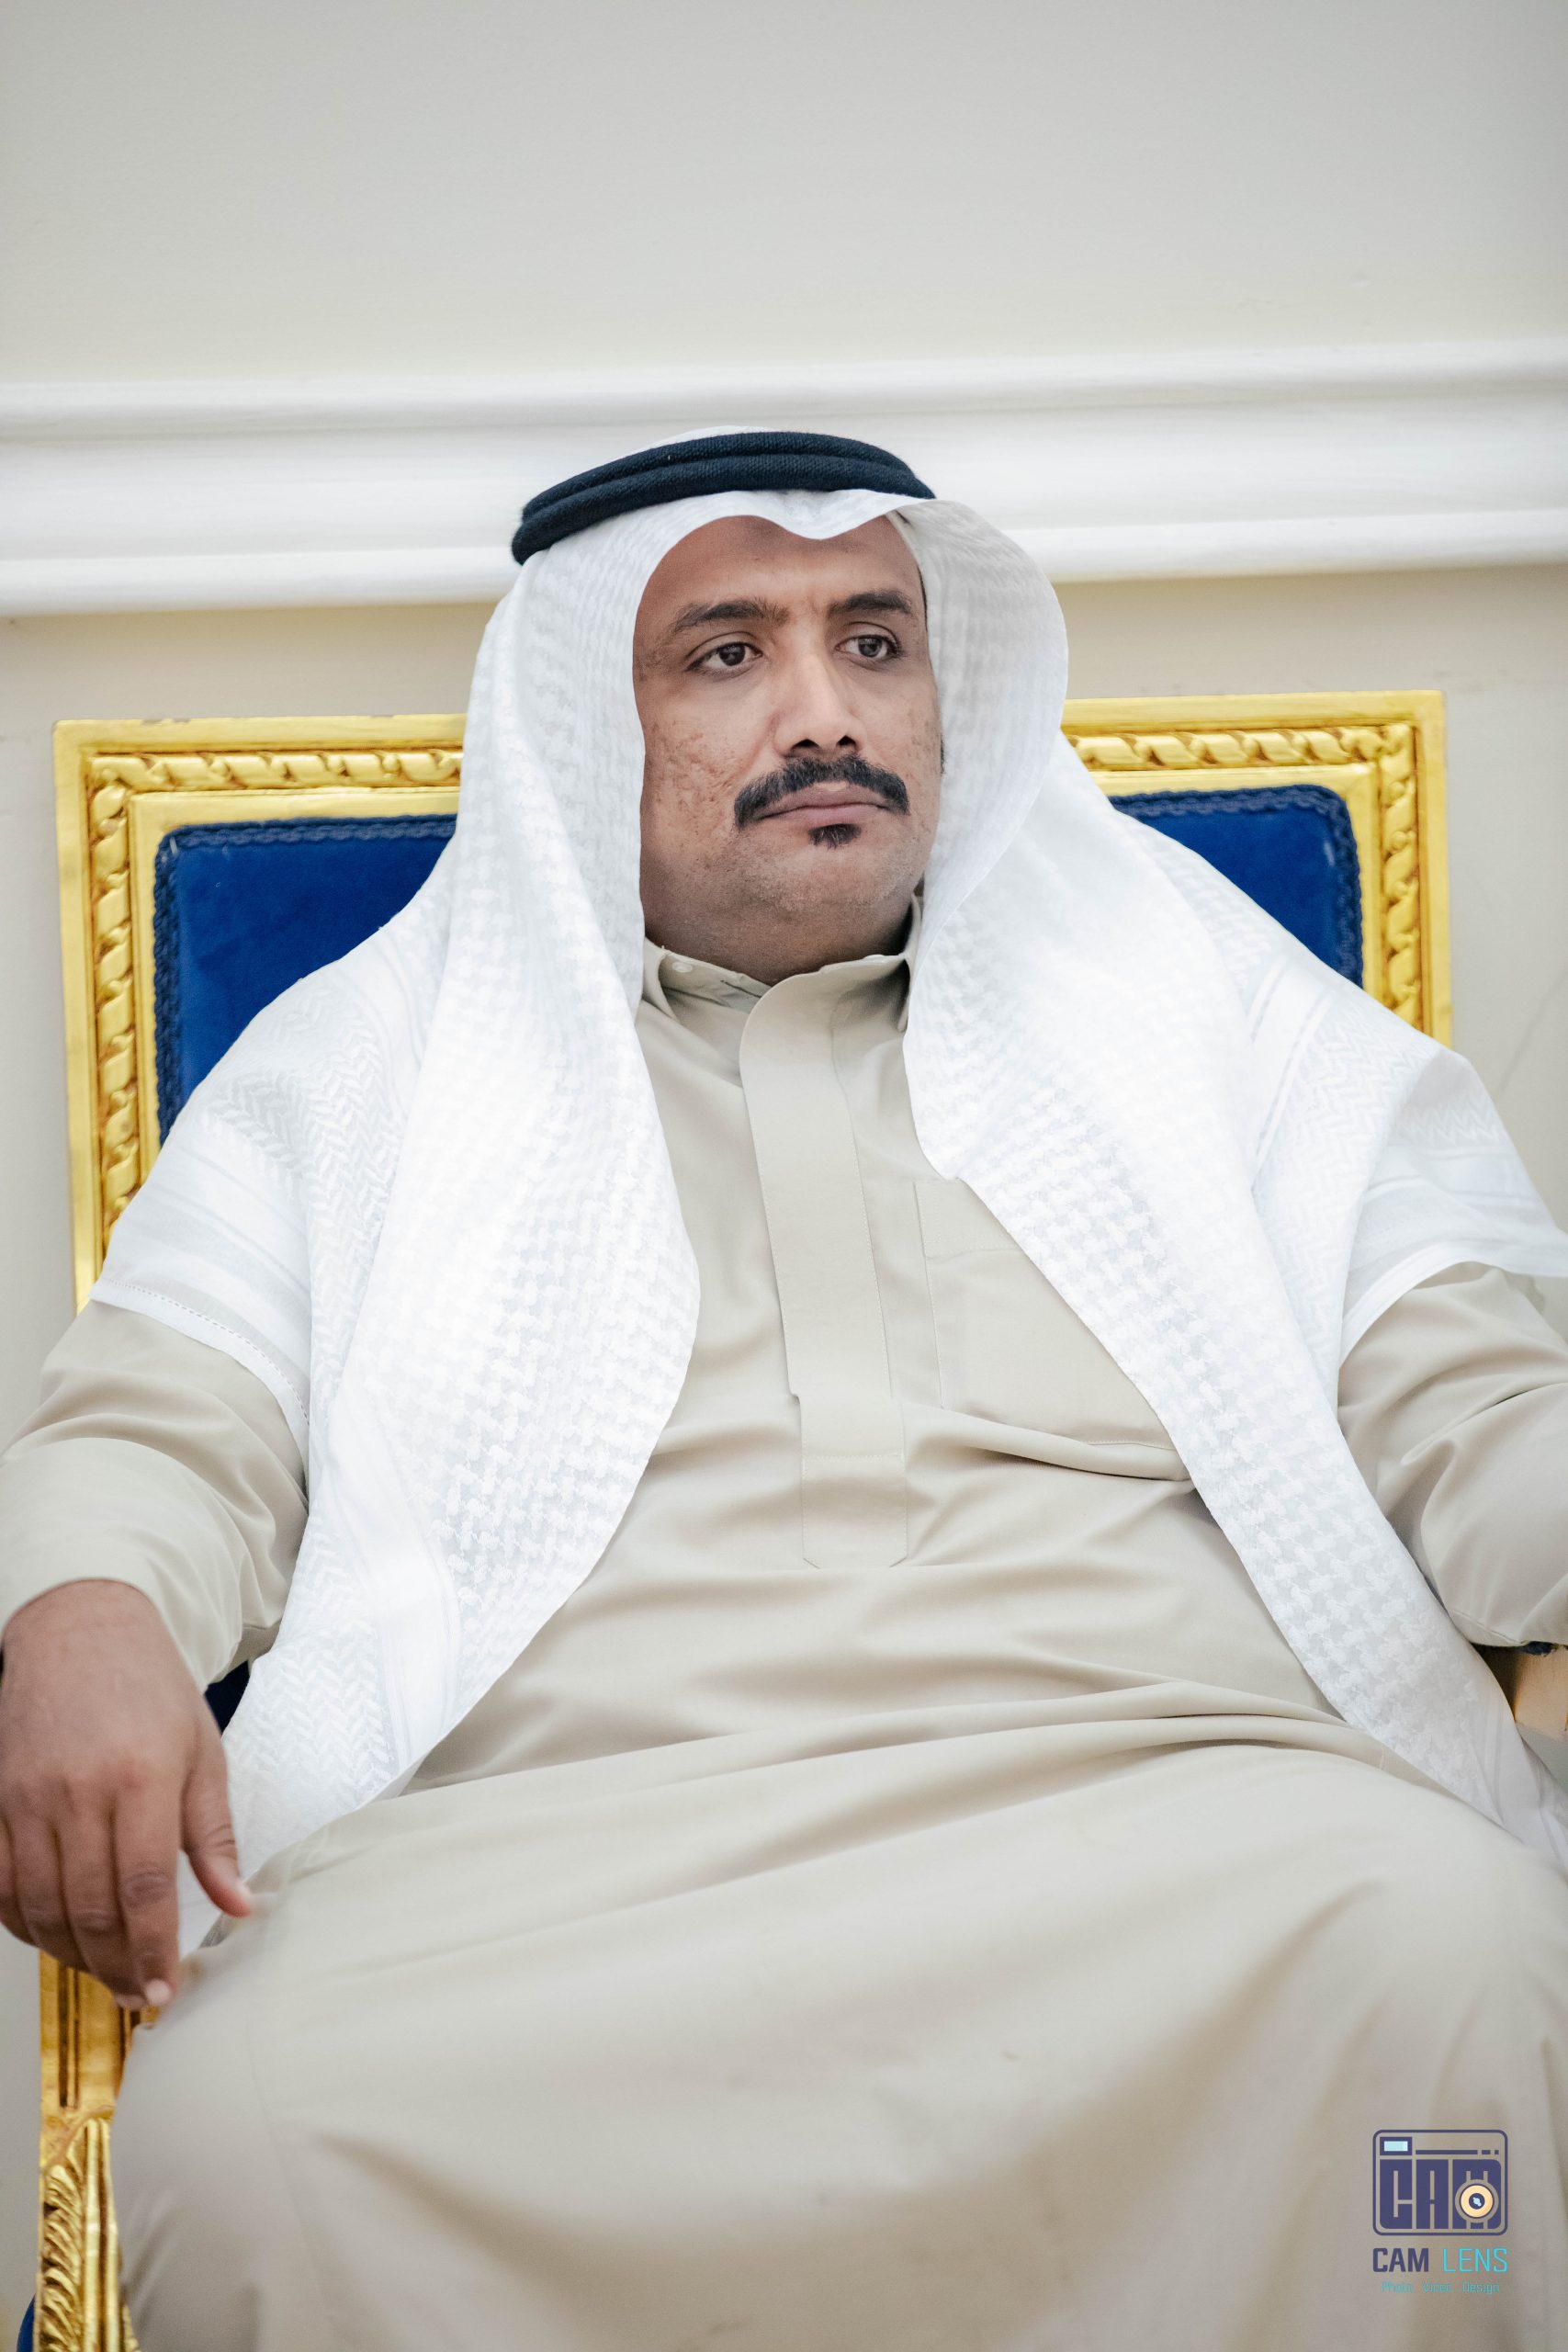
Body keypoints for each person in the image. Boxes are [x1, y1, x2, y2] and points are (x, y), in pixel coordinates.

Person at [2, 431, 1568, 2351]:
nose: (826, 712)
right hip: (553, 1863)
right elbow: (167, 1428)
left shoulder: (1197, 1000)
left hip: (1179, 1817)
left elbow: (1469, 1407)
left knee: (1449, 1957)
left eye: (875, 643)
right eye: (728, 653)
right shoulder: (369, 1064)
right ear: (585, 721)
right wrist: (86, 1612)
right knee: (268, 2117)